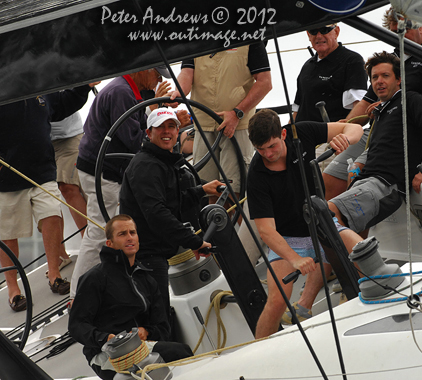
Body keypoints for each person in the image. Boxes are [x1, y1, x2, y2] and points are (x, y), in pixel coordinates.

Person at [247, 109, 364, 338]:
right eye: (261, 150)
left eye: (272, 146)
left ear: (282, 134)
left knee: (364, 254)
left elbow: (355, 128)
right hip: (289, 239)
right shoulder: (256, 175)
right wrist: (294, 258)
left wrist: (345, 138)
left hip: (323, 225)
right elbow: (266, 231)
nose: (268, 154)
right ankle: (257, 351)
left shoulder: (301, 132)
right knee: (278, 300)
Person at [70, 67, 181, 301]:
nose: (158, 81)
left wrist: (160, 117)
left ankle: (114, 286)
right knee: (101, 231)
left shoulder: (130, 91)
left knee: (118, 227)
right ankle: (77, 296)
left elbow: (137, 132)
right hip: (102, 172)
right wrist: (166, 125)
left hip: (108, 171)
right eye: (157, 76)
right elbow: (133, 140)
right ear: (144, 70)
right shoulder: (121, 93)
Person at [328, 11, 422, 198]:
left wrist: (393, 102)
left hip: (412, 132)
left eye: (405, 30)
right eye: (395, 32)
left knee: (357, 183)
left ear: (420, 26)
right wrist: (345, 127)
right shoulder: (389, 63)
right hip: (378, 131)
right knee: (329, 179)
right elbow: (366, 102)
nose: (400, 37)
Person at [0, 85, 94, 311]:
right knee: (7, 235)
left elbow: (62, 105)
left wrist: (84, 87)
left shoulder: (39, 87)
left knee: (52, 214)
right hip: (6, 180)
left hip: (42, 172)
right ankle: (13, 288)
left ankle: (54, 274)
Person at [119, 108, 222, 313]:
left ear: (178, 131)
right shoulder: (146, 166)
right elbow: (156, 213)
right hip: (145, 256)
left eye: (172, 126)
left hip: (154, 253)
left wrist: (201, 190)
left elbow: (171, 202)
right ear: (149, 133)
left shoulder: (160, 161)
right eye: (160, 127)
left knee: (160, 313)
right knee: (158, 316)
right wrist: (194, 241)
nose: (167, 131)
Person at [328, 51, 422, 234]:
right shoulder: (381, 111)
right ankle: (346, 263)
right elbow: (377, 145)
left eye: (385, 76)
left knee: (326, 214)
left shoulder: (410, 99)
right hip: (367, 182)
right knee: (326, 222)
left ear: (398, 80)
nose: (379, 81)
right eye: (374, 77)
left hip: (385, 185)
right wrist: (358, 163)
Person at [68, 214, 193, 380]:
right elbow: (77, 325)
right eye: (122, 234)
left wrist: (147, 331)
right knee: (178, 353)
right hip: (106, 354)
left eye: (132, 233)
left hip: (141, 347)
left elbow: (162, 326)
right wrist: (106, 338)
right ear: (109, 244)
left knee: (180, 352)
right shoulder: (95, 278)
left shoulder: (147, 279)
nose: (129, 238)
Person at [169, 42, 272, 203]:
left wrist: (237, 113)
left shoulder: (250, 35)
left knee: (234, 192)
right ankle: (215, 228)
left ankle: (235, 228)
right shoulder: (195, 35)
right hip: (204, 126)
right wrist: (178, 92)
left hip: (237, 126)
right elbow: (187, 71)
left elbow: (265, 82)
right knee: (207, 190)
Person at [292, 23, 367, 123]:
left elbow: (360, 108)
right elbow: (297, 111)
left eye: (324, 30)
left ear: (336, 31)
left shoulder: (352, 61)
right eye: (313, 31)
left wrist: (341, 133)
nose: (319, 36)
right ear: (308, 35)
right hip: (302, 135)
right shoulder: (307, 66)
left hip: (332, 136)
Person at [50, 112, 88, 237]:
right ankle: (60, 255)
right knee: (47, 196)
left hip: (70, 135)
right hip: (36, 139)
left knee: (68, 187)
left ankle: (90, 240)